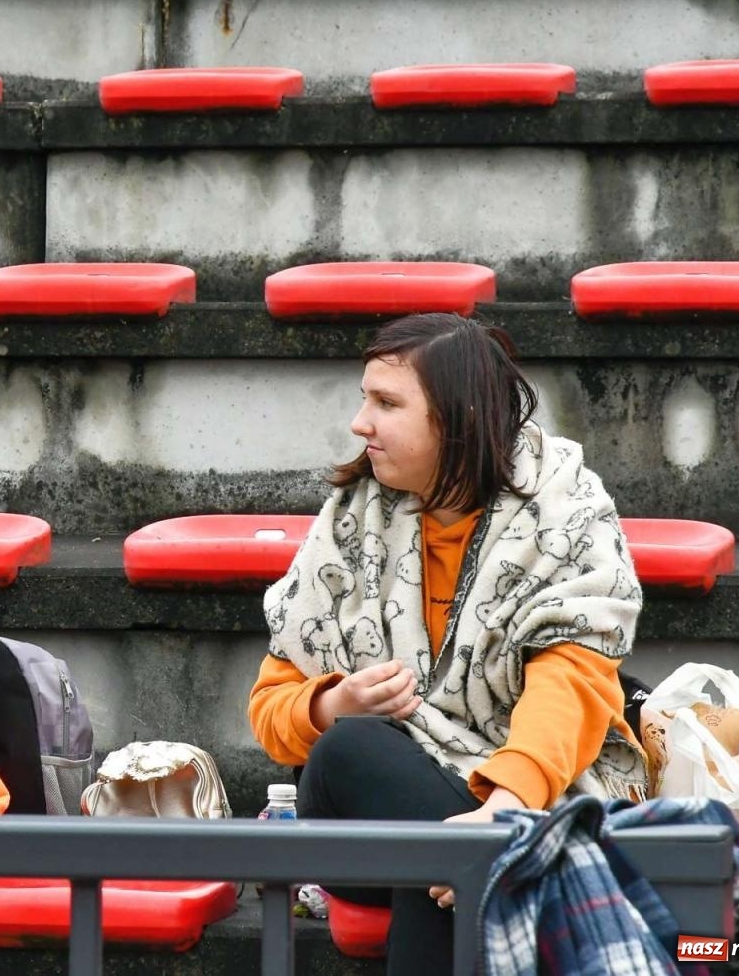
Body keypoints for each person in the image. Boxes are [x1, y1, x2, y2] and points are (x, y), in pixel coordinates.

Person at [246, 312, 648, 974]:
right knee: (352, 749)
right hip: (361, 822)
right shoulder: (351, 519)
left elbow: (572, 681)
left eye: (386, 403)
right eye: (364, 397)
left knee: (443, 873)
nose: (359, 422)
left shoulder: (564, 513)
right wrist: (331, 705)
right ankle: (500, 859)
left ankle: (485, 858)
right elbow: (269, 708)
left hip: (521, 798)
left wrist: (504, 809)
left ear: (455, 419)